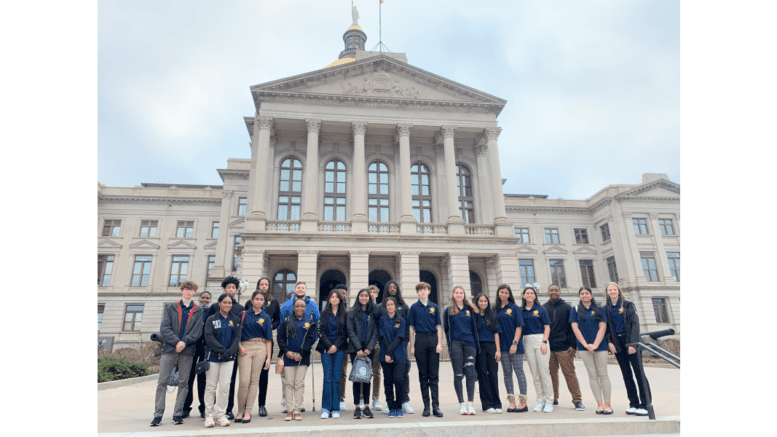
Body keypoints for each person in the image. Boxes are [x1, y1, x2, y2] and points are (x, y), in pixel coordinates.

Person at [151, 280, 205, 426]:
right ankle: (158, 414)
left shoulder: (198, 310)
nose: (188, 292)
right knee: (162, 382)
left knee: (184, 383)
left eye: (191, 290)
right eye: (185, 289)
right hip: (169, 348)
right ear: (181, 291)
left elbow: (197, 331)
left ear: (194, 292)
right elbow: (165, 327)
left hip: (187, 351)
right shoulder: (172, 308)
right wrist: (176, 342)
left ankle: (178, 414)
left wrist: (184, 342)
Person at [604, 282, 651, 416]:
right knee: (626, 375)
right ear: (607, 292)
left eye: (614, 289)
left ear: (618, 291)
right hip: (617, 343)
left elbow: (635, 324)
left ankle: (645, 404)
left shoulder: (628, 305)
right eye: (610, 290)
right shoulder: (606, 308)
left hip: (630, 341)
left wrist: (632, 344)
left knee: (639, 373)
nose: (612, 291)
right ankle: (634, 404)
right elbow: (606, 327)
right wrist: (609, 342)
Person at [206, 276, 245, 421]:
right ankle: (208, 413)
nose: (227, 305)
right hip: (214, 354)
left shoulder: (239, 311)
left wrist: (230, 351)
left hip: (230, 355)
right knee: (210, 385)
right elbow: (208, 334)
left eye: (233, 288)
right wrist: (221, 350)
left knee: (226, 385)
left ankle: (225, 412)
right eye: (225, 303)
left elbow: (237, 335)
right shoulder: (213, 311)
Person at [278, 280, 320, 413]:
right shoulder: (286, 305)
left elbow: (317, 325)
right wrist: (284, 347)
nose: (300, 289)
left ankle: (298, 403)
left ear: (305, 290)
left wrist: (312, 342)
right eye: (298, 287)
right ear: (295, 289)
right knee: (287, 378)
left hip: (304, 347)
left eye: (303, 287)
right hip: (289, 346)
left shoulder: (313, 305)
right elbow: (281, 325)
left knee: (299, 380)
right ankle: (286, 402)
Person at [570, 286, 612, 414]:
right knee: (592, 375)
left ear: (591, 295)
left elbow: (602, 328)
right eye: (582, 293)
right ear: (580, 296)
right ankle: (599, 404)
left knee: (603, 374)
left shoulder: (599, 309)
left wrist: (595, 344)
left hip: (600, 346)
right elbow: (575, 329)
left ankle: (607, 404)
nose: (584, 295)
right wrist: (586, 344)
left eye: (587, 293)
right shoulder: (575, 310)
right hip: (584, 348)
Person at [543, 284, 585, 411]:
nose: (554, 292)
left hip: (565, 347)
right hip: (549, 348)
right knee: (551, 375)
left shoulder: (567, 308)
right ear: (548, 292)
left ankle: (577, 400)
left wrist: (573, 345)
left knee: (569, 374)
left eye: (556, 290)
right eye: (551, 290)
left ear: (560, 292)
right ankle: (554, 398)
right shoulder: (544, 308)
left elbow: (573, 328)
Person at [235, 290, 273, 423]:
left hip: (260, 348)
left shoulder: (266, 317)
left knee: (254, 380)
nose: (259, 301)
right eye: (256, 299)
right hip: (245, 347)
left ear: (264, 301)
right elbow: (237, 334)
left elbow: (269, 339)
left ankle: (248, 411)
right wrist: (240, 347)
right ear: (252, 300)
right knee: (244, 381)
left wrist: (268, 357)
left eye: (261, 299)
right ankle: (240, 410)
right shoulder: (243, 314)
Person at [407, 281, 444, 417]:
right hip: (420, 340)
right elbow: (411, 328)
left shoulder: (434, 307)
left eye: (425, 289)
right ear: (417, 293)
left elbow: (438, 326)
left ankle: (436, 406)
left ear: (429, 291)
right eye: (420, 290)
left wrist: (439, 343)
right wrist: (412, 347)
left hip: (433, 339)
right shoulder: (414, 308)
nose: (423, 292)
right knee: (423, 375)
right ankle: (426, 407)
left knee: (434, 375)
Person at [245, 277, 279, 417]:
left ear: (269, 286)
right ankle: (246, 406)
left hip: (266, 341)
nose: (264, 286)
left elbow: (277, 319)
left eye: (266, 284)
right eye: (261, 284)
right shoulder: (249, 303)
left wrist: (270, 326)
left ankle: (261, 405)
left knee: (263, 376)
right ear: (258, 285)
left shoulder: (274, 302)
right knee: (248, 377)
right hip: (251, 341)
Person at [443, 286, 479, 415]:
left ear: (464, 295)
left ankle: (471, 403)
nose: (459, 295)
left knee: (470, 373)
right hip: (456, 345)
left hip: (470, 344)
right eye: (456, 293)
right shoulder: (448, 311)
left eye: (461, 293)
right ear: (453, 294)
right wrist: (450, 345)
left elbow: (476, 325)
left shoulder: (470, 310)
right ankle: (462, 404)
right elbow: (446, 330)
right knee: (458, 374)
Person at [379, 280, 413, 414]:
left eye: (395, 287)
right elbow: (382, 335)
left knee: (401, 377)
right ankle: (390, 404)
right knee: (388, 379)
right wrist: (388, 351)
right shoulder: (381, 310)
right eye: (390, 287)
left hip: (400, 349)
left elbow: (404, 333)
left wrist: (402, 347)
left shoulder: (404, 307)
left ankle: (403, 401)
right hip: (386, 351)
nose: (392, 289)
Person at [494, 284, 528, 413]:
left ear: (509, 295)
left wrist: (514, 343)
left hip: (515, 346)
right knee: (507, 374)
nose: (503, 294)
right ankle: (511, 401)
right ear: (498, 293)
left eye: (506, 293)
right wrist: (498, 349)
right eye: (501, 292)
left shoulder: (514, 308)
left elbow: (519, 327)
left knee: (519, 372)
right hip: (502, 347)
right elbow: (496, 331)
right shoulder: (495, 309)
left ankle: (523, 401)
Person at [520, 286, 553, 413]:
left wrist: (544, 341)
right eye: (527, 293)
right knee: (535, 374)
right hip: (527, 341)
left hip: (540, 340)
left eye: (531, 293)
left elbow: (547, 327)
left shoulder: (541, 309)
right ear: (523, 296)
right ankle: (540, 400)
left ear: (535, 295)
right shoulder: (521, 311)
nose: (529, 295)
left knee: (544, 372)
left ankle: (549, 401)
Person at [346, 288, 378, 419]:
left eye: (366, 295)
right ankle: (356, 407)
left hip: (368, 351)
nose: (364, 298)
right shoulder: (352, 312)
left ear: (369, 298)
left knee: (366, 379)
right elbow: (350, 330)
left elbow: (376, 331)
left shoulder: (373, 312)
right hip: (356, 351)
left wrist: (369, 348)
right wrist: (358, 348)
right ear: (358, 297)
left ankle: (366, 406)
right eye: (362, 295)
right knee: (357, 379)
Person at [317, 289, 348, 419]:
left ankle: (335, 408)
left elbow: (345, 333)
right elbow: (321, 331)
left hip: (339, 349)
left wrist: (336, 346)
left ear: (340, 299)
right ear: (329, 299)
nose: (334, 299)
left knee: (336, 378)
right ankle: (326, 408)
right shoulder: (324, 313)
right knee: (327, 378)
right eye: (332, 296)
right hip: (326, 350)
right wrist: (330, 345)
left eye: (336, 297)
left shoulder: (345, 314)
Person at [182, 290, 211, 419]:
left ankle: (203, 407)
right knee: (188, 378)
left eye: (207, 298)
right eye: (203, 297)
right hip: (192, 346)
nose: (204, 300)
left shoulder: (211, 312)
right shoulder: (194, 310)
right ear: (199, 298)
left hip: (205, 347)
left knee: (203, 380)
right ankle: (186, 407)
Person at [473, 293, 502, 413]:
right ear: (477, 302)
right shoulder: (474, 316)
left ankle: (497, 403)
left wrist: (498, 350)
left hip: (491, 347)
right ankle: (487, 404)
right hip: (479, 348)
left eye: (485, 301)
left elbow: (496, 333)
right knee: (483, 375)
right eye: (480, 301)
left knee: (493, 375)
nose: (483, 303)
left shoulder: (492, 315)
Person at [333, 284, 350, 412]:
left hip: (343, 346)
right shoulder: (329, 310)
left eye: (344, 293)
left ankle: (341, 398)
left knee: (342, 373)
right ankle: (331, 397)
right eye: (340, 293)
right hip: (330, 347)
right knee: (330, 374)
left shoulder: (348, 311)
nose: (342, 295)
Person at [367, 285, 383, 412]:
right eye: (369, 292)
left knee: (376, 372)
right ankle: (362, 398)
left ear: (377, 294)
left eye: (374, 292)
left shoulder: (380, 308)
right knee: (363, 371)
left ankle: (375, 398)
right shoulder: (362, 308)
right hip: (365, 344)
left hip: (377, 343)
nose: (372, 294)